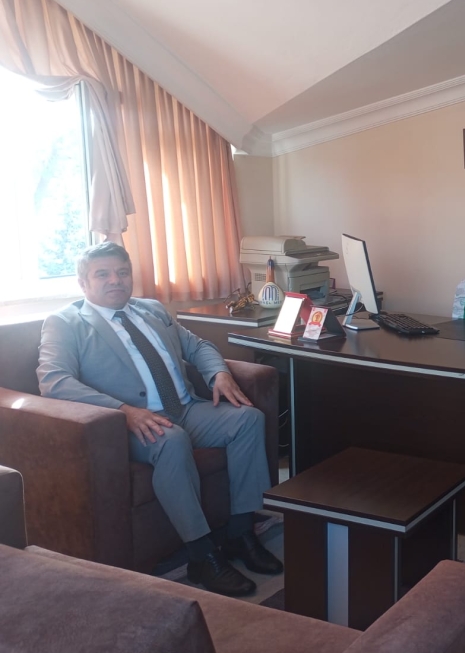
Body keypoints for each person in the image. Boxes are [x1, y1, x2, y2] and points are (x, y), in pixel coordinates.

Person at [37, 242, 282, 598]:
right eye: (102, 274)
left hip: (185, 407)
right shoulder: (65, 323)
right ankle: (202, 555)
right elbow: (54, 380)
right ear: (82, 282)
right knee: (171, 440)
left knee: (247, 420)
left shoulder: (151, 309)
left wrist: (218, 374)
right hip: (128, 422)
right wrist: (123, 410)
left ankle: (241, 533)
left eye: (122, 272)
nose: (115, 280)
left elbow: (198, 346)